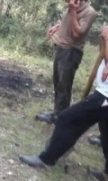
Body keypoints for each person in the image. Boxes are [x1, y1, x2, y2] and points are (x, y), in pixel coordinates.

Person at [20, 24, 108, 181]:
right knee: (106, 133)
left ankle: (46, 159)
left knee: (67, 119)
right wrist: (104, 38)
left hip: (104, 97)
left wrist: (107, 39)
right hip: (103, 93)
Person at [33, 0, 99, 124]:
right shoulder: (72, 6)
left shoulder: (89, 12)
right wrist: (58, 26)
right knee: (58, 82)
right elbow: (68, 21)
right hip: (62, 48)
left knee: (64, 85)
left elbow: (77, 33)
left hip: (71, 52)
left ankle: (60, 118)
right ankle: (57, 112)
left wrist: (73, 11)